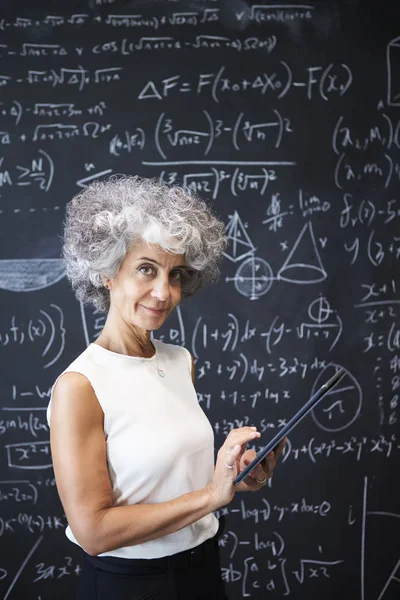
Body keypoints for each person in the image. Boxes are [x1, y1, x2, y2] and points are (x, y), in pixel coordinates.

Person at [47, 175, 286, 600]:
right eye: (146, 269)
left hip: (202, 571)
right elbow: (94, 531)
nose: (163, 292)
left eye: (175, 275)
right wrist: (211, 496)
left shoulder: (180, 362)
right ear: (107, 272)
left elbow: (173, 479)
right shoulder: (79, 386)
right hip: (130, 586)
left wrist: (235, 478)